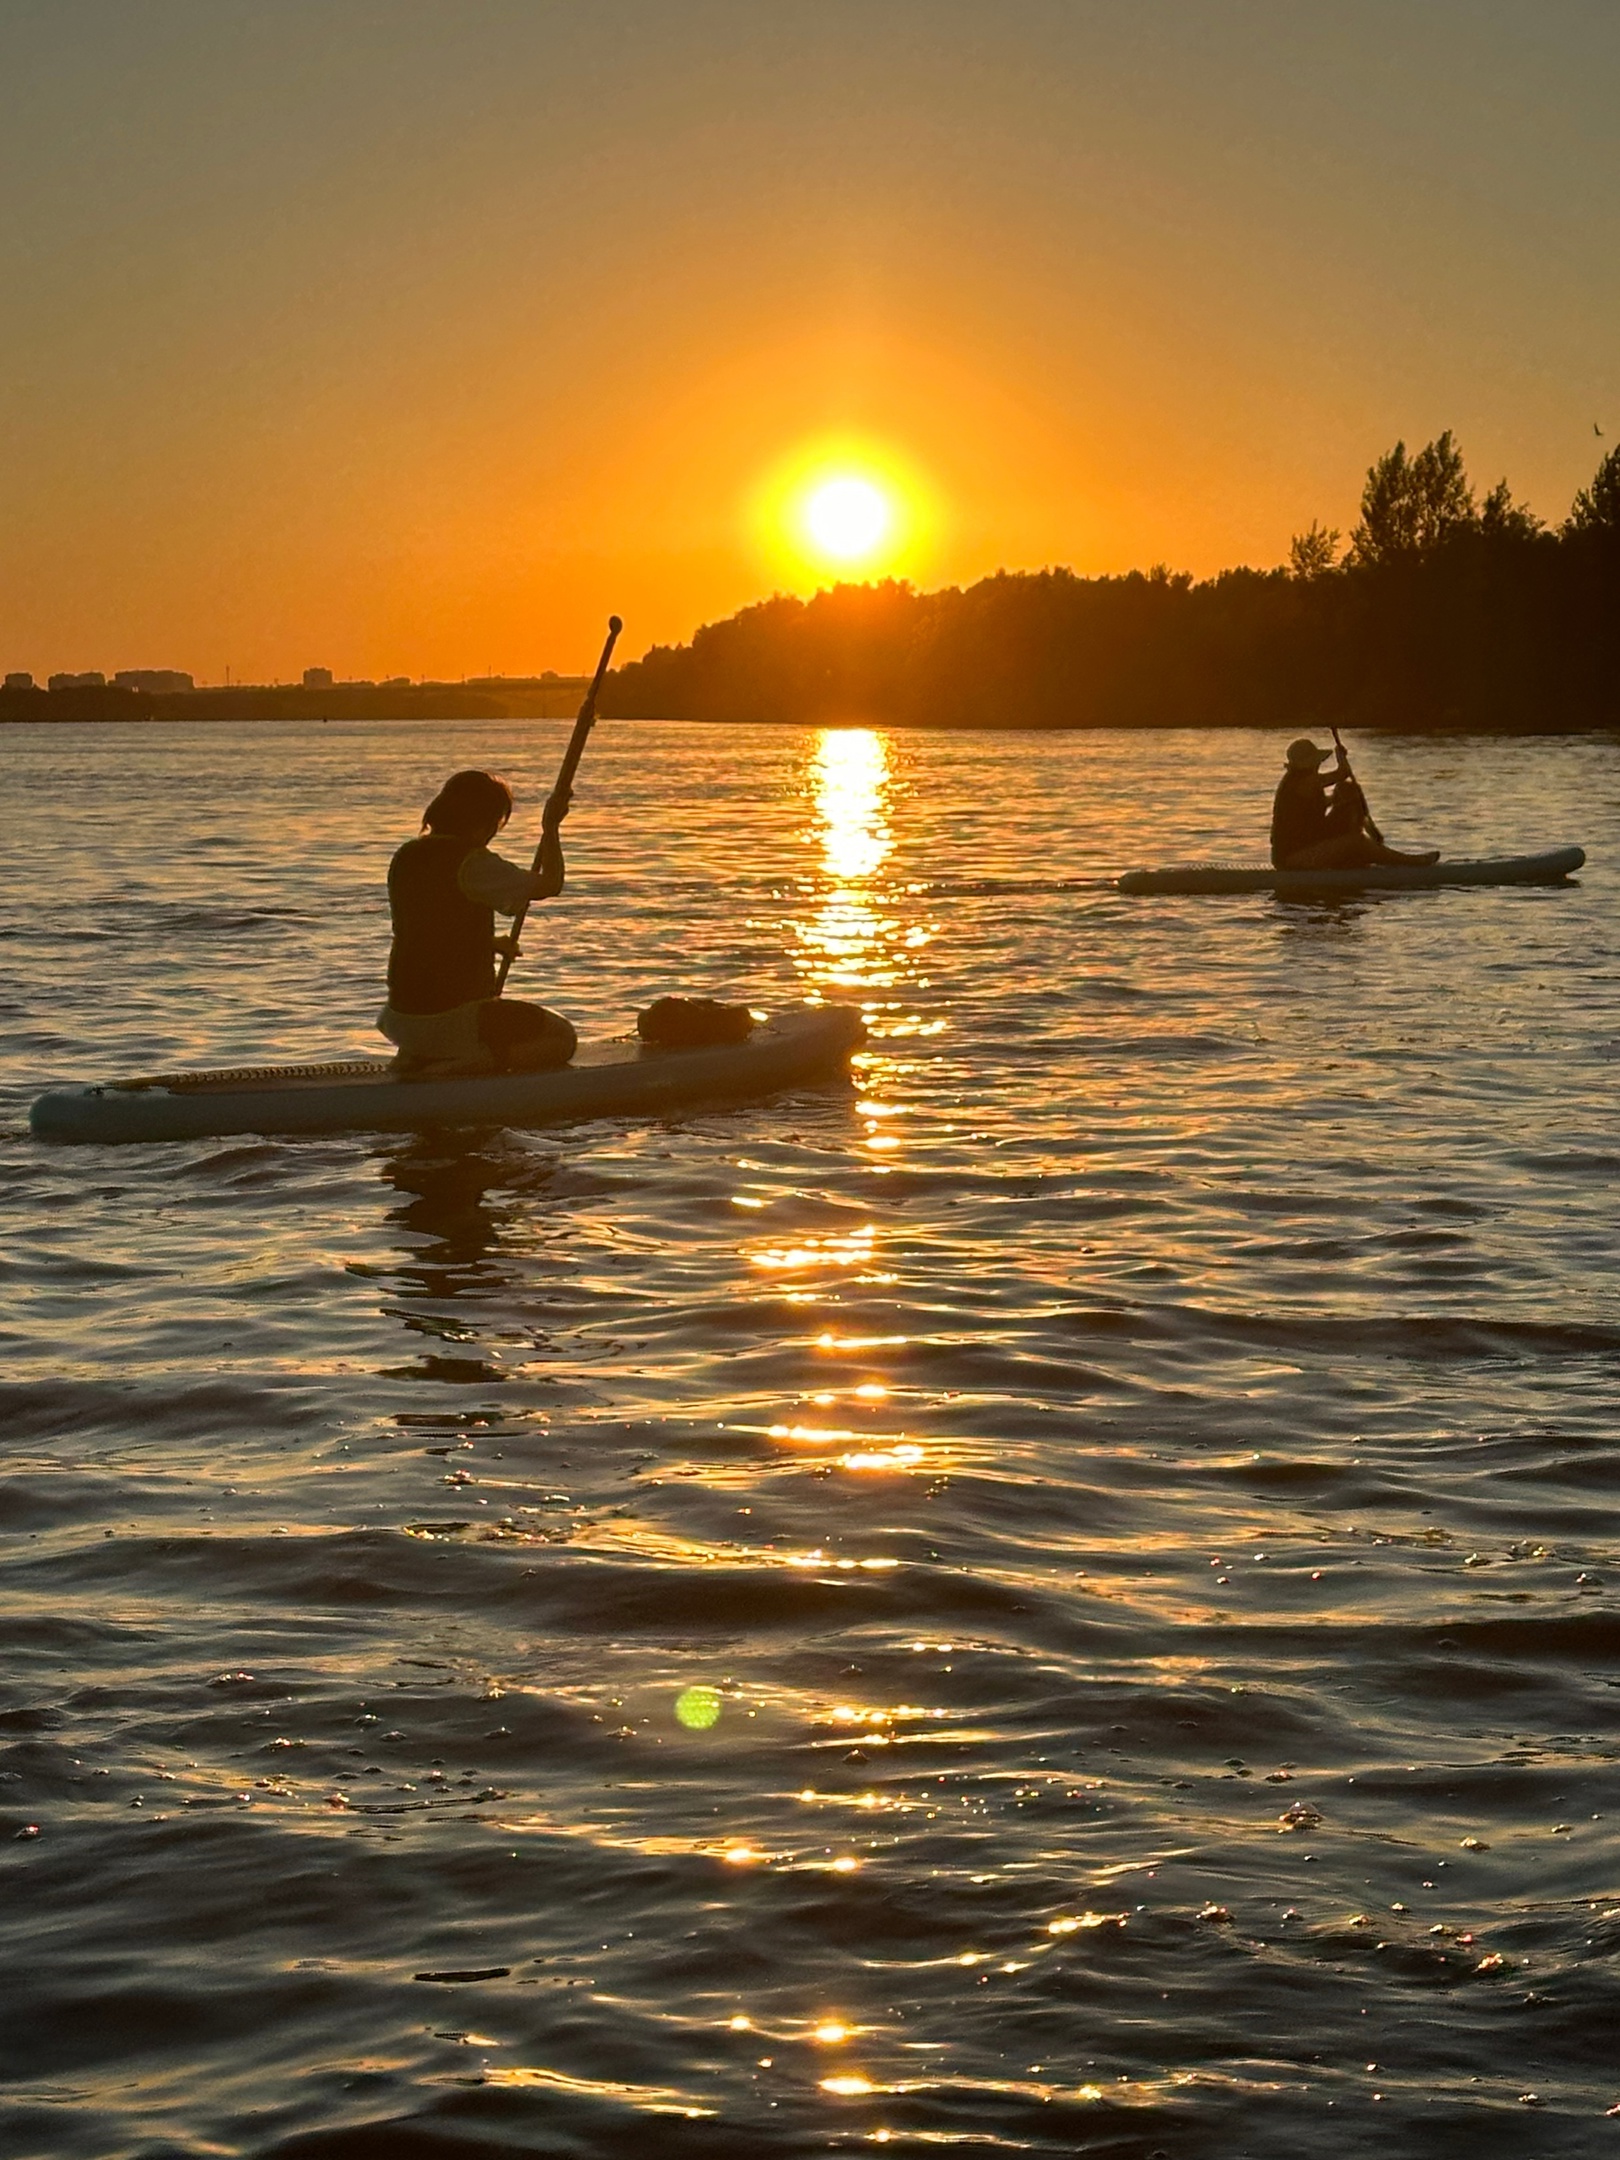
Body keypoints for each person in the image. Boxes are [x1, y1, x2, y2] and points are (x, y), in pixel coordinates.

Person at [379, 768, 577, 1076]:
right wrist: (551, 827)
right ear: (485, 821)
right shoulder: (473, 862)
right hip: (452, 1020)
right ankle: (476, 1061)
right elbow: (550, 883)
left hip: (401, 1020)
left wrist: (487, 943)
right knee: (563, 1038)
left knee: (449, 1024)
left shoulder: (405, 855)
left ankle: (421, 1056)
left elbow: (428, 927)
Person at [1270, 738, 1440, 871]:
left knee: (1348, 792)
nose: (1319, 764)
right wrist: (1340, 756)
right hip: (1293, 859)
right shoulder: (1304, 782)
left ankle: (1357, 858)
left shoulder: (1300, 782)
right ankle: (1410, 862)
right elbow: (1342, 773)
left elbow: (1315, 808)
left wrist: (1344, 800)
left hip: (1307, 846)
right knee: (1356, 841)